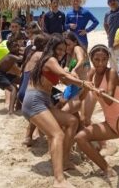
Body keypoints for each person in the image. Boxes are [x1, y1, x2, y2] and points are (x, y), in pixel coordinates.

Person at [22, 34, 92, 188]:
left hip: (45, 100)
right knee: (57, 134)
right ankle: (59, 180)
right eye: (58, 49)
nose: (61, 52)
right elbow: (63, 75)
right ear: (51, 48)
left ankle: (65, 160)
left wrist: (77, 79)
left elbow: (64, 78)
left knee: (72, 121)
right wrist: (83, 82)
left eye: (63, 49)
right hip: (34, 101)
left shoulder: (54, 61)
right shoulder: (50, 59)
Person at [74, 45, 119, 187]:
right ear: (91, 59)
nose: (100, 63)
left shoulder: (112, 72)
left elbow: (109, 99)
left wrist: (100, 91)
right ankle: (107, 168)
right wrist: (86, 86)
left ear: (108, 59)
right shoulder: (91, 73)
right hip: (110, 122)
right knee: (80, 138)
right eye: (96, 60)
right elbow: (82, 97)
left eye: (104, 59)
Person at [0, 37, 23, 115]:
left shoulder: (14, 53)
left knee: (21, 81)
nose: (17, 47)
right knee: (13, 89)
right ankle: (11, 112)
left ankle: (18, 106)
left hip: (2, 73)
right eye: (14, 46)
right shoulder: (10, 55)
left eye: (18, 45)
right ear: (9, 48)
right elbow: (20, 59)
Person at [103, 0, 119, 71]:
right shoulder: (107, 14)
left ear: (118, 1)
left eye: (114, 0)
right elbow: (105, 24)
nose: (112, 2)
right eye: (110, 1)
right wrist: (108, 34)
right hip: (111, 43)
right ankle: (115, 82)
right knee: (113, 66)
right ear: (108, 3)